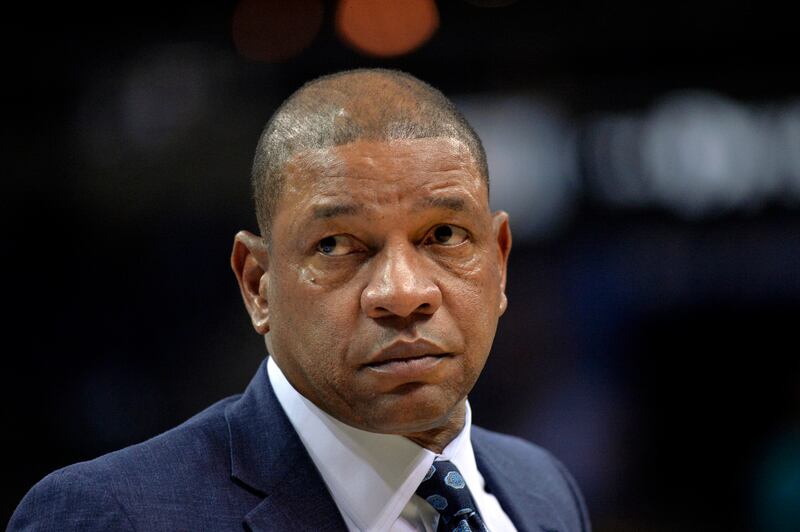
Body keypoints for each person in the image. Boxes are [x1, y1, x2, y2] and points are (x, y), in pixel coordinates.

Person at [9, 69, 590, 532]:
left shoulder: (544, 490)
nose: (403, 293)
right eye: (337, 244)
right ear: (258, 284)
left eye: (443, 236)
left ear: (498, 261)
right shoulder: (111, 516)